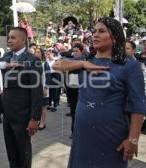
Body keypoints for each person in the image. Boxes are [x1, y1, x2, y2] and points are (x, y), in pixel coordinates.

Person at [53, 17, 146, 168]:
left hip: (112, 135)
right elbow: (57, 65)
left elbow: (138, 105)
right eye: (94, 31)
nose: (95, 35)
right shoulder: (86, 59)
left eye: (101, 31)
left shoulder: (129, 65)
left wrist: (133, 139)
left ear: (115, 36)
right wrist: (83, 63)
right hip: (82, 133)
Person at [0, 27, 43, 168]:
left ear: (23, 40)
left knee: (23, 152)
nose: (9, 40)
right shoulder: (7, 57)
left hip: (23, 115)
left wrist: (35, 118)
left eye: (13, 37)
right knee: (11, 151)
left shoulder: (32, 60)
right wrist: (5, 64)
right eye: (9, 37)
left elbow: (36, 91)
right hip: (7, 113)